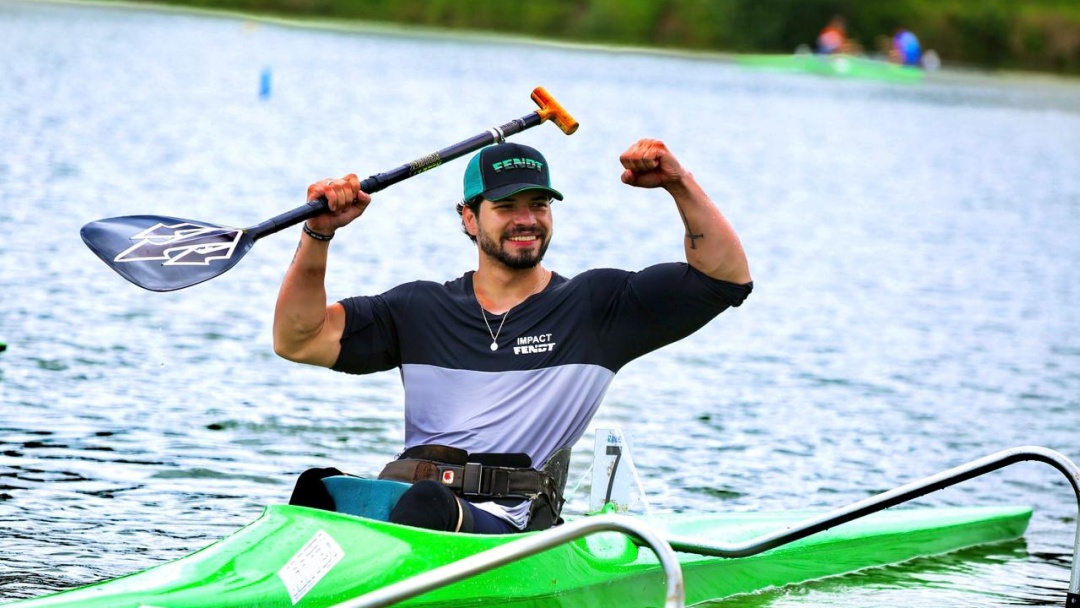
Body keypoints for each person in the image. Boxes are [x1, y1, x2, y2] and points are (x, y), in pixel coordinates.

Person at [273, 138, 752, 534]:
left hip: (509, 524)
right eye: (506, 207)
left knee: (428, 504)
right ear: (469, 218)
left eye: (539, 205)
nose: (527, 220)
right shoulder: (418, 308)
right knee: (317, 490)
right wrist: (318, 233)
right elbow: (298, 339)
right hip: (414, 502)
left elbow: (725, 279)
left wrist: (678, 183)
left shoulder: (597, 308)